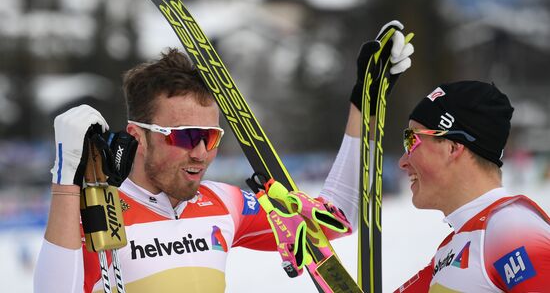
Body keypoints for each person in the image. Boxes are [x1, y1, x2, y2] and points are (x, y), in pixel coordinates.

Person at [33, 21, 414, 293]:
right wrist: (67, 182)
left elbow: (336, 219)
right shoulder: (96, 210)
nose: (201, 152)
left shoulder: (222, 202)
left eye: (211, 137)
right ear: (139, 136)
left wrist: (364, 105)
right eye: (186, 137)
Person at [395, 81, 550, 292]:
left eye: (411, 140)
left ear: (452, 148)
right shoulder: (451, 250)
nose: (403, 160)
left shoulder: (509, 228)